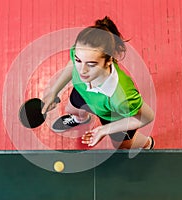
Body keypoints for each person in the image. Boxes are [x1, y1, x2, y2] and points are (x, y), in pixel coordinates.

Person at [42, 16, 155, 149]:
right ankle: (81, 119)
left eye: (91, 64)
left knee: (122, 145)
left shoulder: (122, 98)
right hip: (83, 92)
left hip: (113, 115)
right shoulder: (82, 52)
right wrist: (53, 91)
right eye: (79, 60)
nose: (82, 70)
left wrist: (103, 130)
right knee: (71, 109)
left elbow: (146, 117)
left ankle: (147, 143)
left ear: (108, 61)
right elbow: (72, 64)